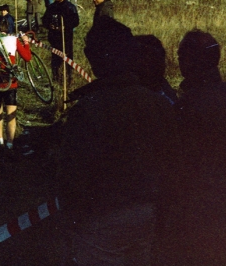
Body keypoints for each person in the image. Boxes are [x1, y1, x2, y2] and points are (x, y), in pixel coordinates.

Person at [55, 17, 178, 265]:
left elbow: (73, 175)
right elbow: (172, 162)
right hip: (146, 211)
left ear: (94, 57)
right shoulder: (157, 103)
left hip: (103, 217)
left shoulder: (89, 109)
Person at [161, 30, 226, 265]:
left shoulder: (187, 106)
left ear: (189, 61)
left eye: (182, 57)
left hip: (195, 205)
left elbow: (175, 162)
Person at [0, 29, 32, 152]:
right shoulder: (13, 40)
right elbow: (27, 57)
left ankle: (0, 140)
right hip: (10, 82)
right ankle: (10, 143)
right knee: (11, 114)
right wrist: (26, 42)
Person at [42, 0, 79, 84]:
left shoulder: (70, 7)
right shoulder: (52, 7)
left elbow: (76, 21)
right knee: (55, 59)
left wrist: (65, 27)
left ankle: (69, 77)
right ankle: (55, 78)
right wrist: (49, 25)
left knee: (68, 59)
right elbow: (44, 20)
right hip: (55, 38)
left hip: (66, 38)